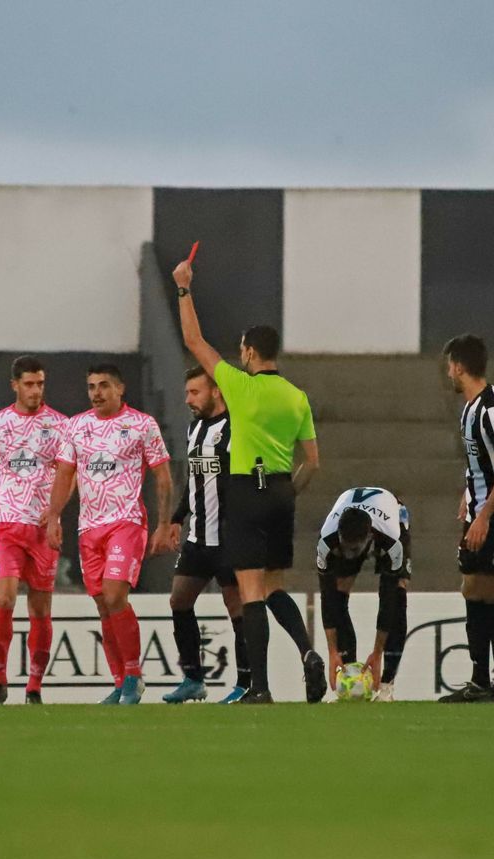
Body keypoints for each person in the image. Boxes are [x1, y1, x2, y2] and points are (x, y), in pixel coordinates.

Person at [173, 256, 325, 704]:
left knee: (251, 590)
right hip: (281, 488)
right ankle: (307, 652)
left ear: (251, 353)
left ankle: (259, 686)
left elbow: (192, 339)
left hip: (246, 489)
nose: (240, 355)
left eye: (242, 350)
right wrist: (287, 494)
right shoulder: (297, 397)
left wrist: (184, 288)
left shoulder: (240, 387)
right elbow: (313, 462)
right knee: (275, 584)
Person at [43, 364, 172, 705]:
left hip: (126, 522)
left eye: (103, 386)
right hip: (90, 528)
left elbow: (162, 477)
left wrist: (162, 523)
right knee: (103, 605)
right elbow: (65, 475)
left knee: (115, 596)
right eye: (91, 387)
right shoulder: (76, 426)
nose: (96, 392)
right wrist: (54, 517)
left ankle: (133, 675)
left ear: (120, 388)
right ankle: (120, 683)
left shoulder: (142, 425)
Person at [0, 355, 67, 704]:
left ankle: (34, 686)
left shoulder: (60, 425)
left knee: (41, 610)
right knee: (5, 598)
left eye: (40, 383)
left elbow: (67, 474)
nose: (35, 390)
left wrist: (55, 511)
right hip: (4, 524)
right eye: (28, 384)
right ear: (15, 385)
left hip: (42, 530)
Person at [439, 334, 494, 703]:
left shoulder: (491, 409)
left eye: (449, 367)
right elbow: (484, 464)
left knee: (491, 592)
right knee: (473, 589)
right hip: (480, 508)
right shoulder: (472, 408)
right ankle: (479, 680)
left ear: (458, 366)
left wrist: (484, 515)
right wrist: (468, 494)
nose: (448, 374)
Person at [161, 366, 251, 704]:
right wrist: (177, 517)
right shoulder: (195, 429)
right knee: (179, 600)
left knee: (237, 609)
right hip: (198, 537)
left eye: (195, 392)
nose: (188, 399)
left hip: (228, 539)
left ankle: (245, 683)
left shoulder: (236, 429)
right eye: (187, 393)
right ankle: (193, 678)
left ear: (216, 391)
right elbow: (195, 481)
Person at [314, 487, 412, 703]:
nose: (349, 554)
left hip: (393, 513)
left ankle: (387, 685)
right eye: (345, 548)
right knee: (338, 595)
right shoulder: (326, 542)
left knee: (397, 593)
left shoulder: (391, 539)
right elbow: (326, 597)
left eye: (354, 549)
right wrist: (332, 652)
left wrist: (377, 653)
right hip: (350, 512)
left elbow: (387, 601)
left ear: (368, 537)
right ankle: (350, 676)